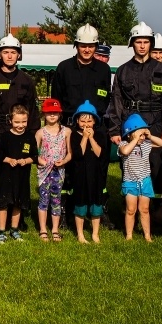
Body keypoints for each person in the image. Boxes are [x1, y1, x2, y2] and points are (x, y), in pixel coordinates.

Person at [50, 24, 113, 229]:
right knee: (68, 172)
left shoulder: (103, 70)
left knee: (99, 170)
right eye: (83, 45)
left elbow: (106, 98)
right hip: (70, 127)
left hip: (96, 128)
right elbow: (56, 100)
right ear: (76, 45)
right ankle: (65, 213)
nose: (87, 50)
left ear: (96, 46)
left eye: (91, 46)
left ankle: (98, 211)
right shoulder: (64, 68)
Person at [0, 34, 40, 230]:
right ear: (0, 54)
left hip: (21, 134)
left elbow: (33, 110)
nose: (10, 56)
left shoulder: (26, 81)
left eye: (13, 52)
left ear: (19, 55)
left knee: (20, 174)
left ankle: (18, 217)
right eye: (6, 52)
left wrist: (33, 136)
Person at [108, 22, 162, 196]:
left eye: (146, 42)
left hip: (155, 123)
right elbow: (116, 101)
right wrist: (114, 129)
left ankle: (153, 206)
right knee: (130, 164)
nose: (142, 46)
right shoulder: (123, 70)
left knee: (156, 165)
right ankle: (130, 205)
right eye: (138, 42)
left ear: (151, 43)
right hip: (130, 122)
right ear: (132, 44)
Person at [0, 104, 36, 243]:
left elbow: (35, 156)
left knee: (18, 203)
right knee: (3, 203)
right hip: (5, 176)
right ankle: (1, 231)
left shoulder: (30, 137)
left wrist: (26, 161)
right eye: (17, 122)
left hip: (22, 177)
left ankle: (14, 230)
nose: (20, 125)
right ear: (10, 120)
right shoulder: (5, 137)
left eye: (24, 122)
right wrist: (9, 160)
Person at [119, 113, 162, 242]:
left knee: (144, 209)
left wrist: (149, 136)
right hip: (130, 182)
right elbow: (125, 152)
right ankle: (129, 235)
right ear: (129, 134)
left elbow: (161, 143)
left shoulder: (146, 143)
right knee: (130, 209)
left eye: (143, 135)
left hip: (145, 181)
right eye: (140, 135)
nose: (142, 137)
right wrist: (134, 140)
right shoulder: (123, 144)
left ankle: (147, 236)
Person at [69, 100, 108, 244]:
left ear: (94, 121)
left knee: (96, 206)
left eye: (89, 121)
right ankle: (80, 234)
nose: (86, 124)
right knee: (80, 205)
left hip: (96, 176)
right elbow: (78, 154)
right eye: (83, 121)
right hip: (80, 176)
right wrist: (84, 137)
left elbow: (99, 153)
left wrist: (91, 137)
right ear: (77, 121)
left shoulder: (100, 135)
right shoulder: (74, 135)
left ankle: (95, 233)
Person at [35, 98, 72, 243]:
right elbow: (34, 153)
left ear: (60, 114)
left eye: (55, 112)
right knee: (43, 199)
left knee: (56, 200)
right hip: (44, 172)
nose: (52, 115)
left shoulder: (66, 131)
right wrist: (40, 161)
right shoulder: (40, 133)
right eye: (49, 112)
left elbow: (70, 153)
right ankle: (43, 229)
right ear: (44, 114)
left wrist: (63, 161)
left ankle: (55, 229)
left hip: (59, 171)